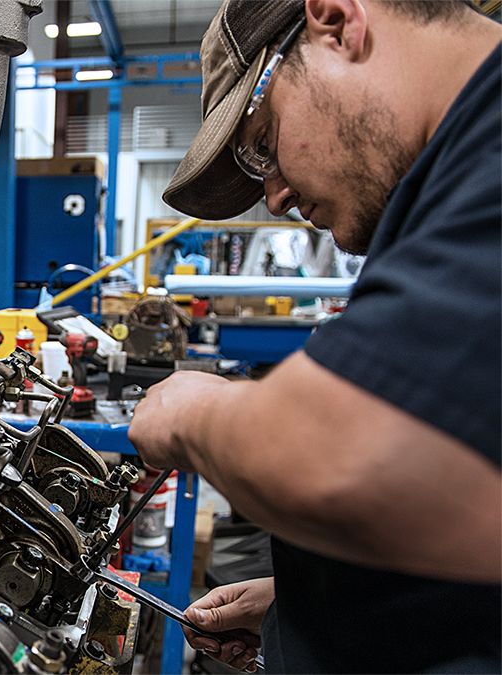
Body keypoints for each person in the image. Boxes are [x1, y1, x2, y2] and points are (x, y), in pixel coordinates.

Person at [127, 0, 502, 671]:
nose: (273, 196)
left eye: (261, 144)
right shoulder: (451, 183)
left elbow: (343, 455)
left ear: (336, 21)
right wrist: (303, 600)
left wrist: (189, 409)